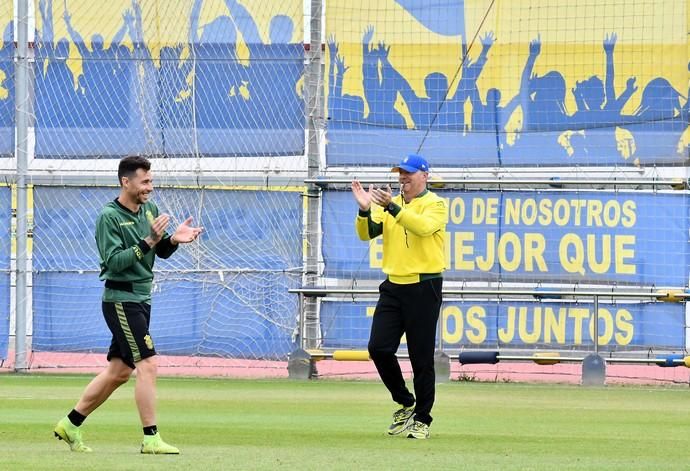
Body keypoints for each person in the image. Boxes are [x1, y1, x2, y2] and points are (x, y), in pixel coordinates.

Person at [53, 155, 203, 454]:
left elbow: (159, 251)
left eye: (151, 180)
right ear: (126, 182)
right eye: (145, 181)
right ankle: (151, 438)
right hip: (121, 300)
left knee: (120, 371)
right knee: (148, 364)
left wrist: (173, 240)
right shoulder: (108, 216)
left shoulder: (150, 209)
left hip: (141, 299)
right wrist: (148, 241)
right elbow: (114, 263)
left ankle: (70, 424)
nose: (150, 187)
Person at [351, 154, 448, 439]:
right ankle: (405, 402)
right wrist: (365, 210)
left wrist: (391, 206)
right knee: (378, 348)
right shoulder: (389, 206)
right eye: (400, 174)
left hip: (424, 287)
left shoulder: (436, 204)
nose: (402, 178)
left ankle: (423, 418)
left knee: (421, 358)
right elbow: (366, 234)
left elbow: (421, 227)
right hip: (393, 286)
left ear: (425, 175)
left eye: (408, 173)